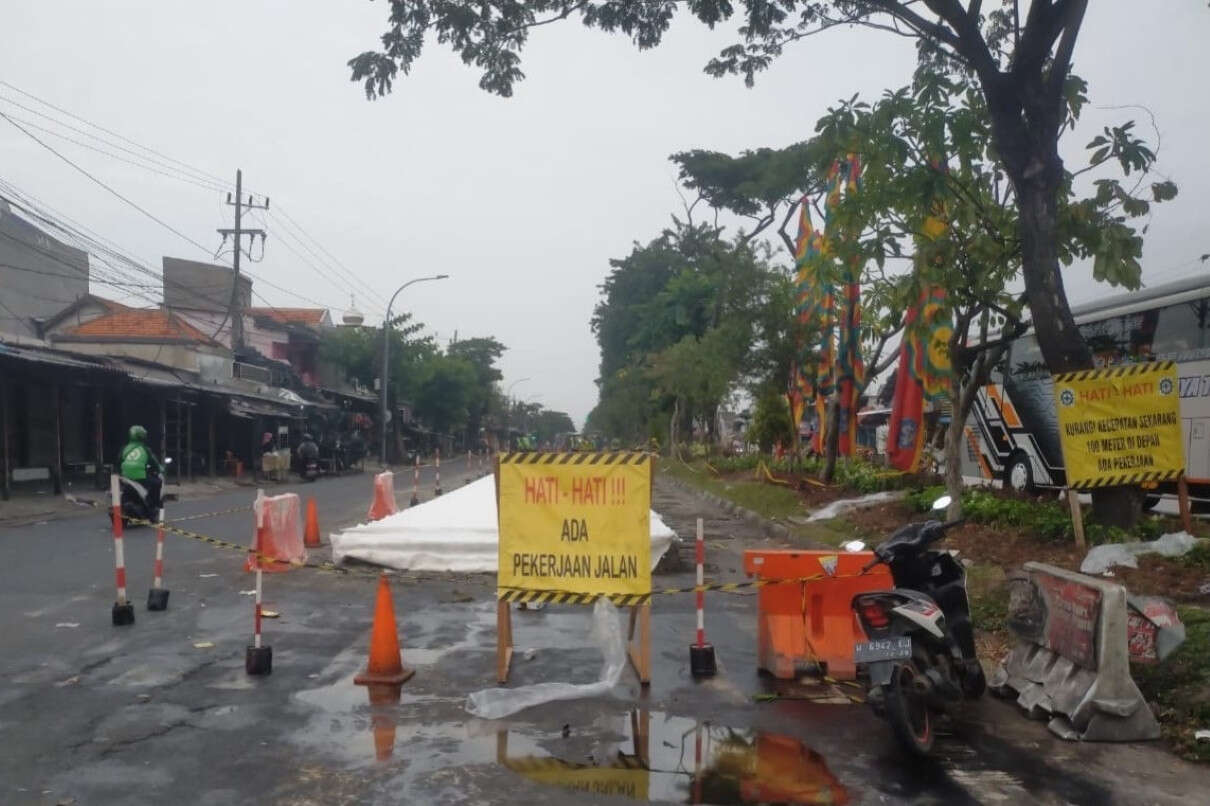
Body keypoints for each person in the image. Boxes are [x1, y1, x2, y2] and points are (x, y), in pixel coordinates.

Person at [119, 425, 163, 511]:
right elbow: (154, 463)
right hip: (139, 476)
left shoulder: (124, 448)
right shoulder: (145, 449)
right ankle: (153, 505)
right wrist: (160, 469)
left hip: (124, 476)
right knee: (157, 483)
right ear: (142, 436)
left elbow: (119, 461)